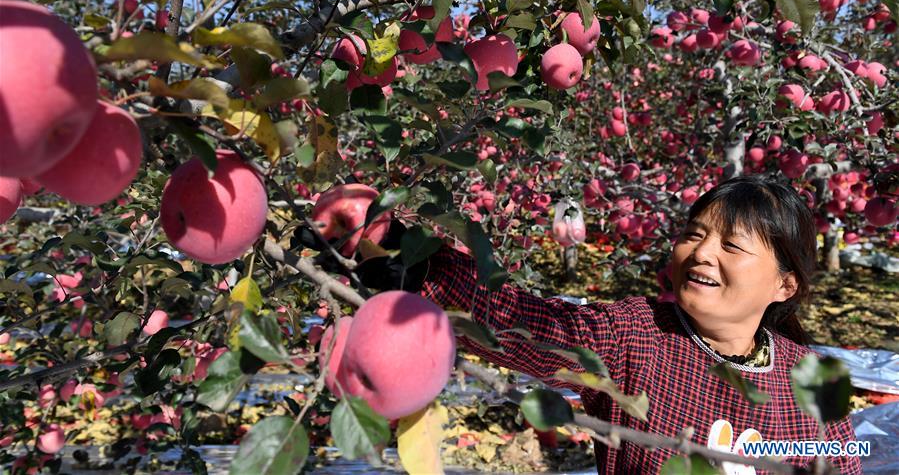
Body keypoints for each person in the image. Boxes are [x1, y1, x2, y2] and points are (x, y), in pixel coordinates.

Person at [310, 175, 863, 474]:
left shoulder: (814, 381)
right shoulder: (638, 336)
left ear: (784, 285)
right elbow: (527, 326)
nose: (700, 254)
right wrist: (416, 256)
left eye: (732, 245)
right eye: (694, 234)